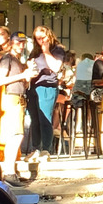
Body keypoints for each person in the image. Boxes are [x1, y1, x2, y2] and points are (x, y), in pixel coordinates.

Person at [0, 32, 36, 183]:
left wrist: (27, 76)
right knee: (16, 135)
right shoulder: (7, 59)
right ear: (11, 42)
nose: (21, 45)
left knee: (15, 135)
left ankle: (10, 170)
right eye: (19, 42)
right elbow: (1, 80)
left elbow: (22, 82)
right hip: (11, 98)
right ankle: (9, 172)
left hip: (18, 98)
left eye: (23, 42)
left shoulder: (17, 60)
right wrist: (23, 75)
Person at [26, 25, 65, 161]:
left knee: (45, 119)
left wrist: (46, 51)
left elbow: (55, 67)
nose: (40, 41)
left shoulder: (57, 49)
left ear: (49, 35)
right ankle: (35, 148)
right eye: (37, 39)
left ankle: (46, 150)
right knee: (35, 119)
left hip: (47, 86)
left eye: (43, 38)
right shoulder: (35, 51)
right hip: (33, 86)